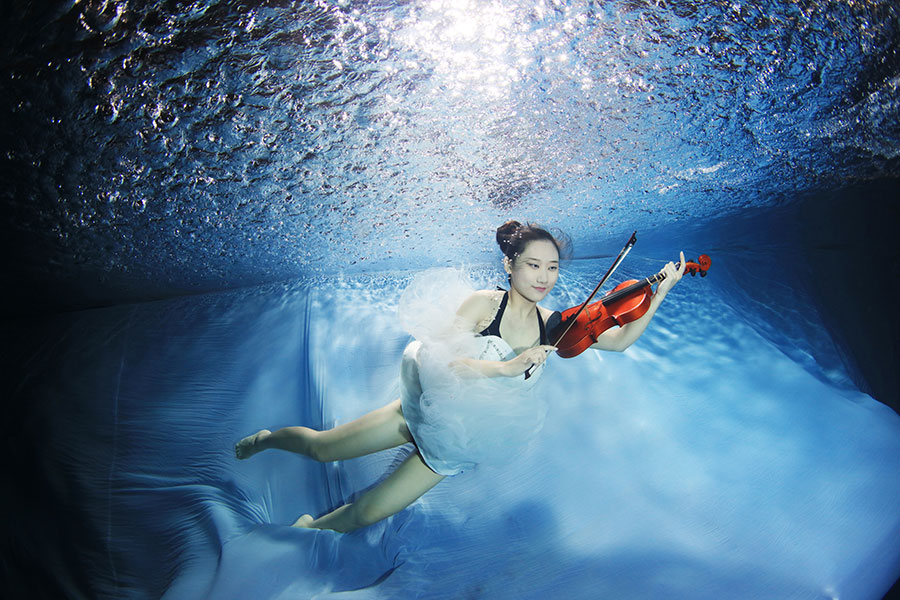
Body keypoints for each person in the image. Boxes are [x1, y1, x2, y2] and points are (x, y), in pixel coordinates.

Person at [234, 221, 685, 533]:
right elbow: (444, 361)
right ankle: (266, 440)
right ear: (510, 265)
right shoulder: (484, 305)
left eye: (552, 268)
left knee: (366, 515)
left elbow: (619, 341)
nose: (544, 277)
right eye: (533, 265)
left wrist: (658, 291)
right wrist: (507, 366)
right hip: (424, 409)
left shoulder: (557, 324)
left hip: (462, 438)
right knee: (321, 448)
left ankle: (310, 530)